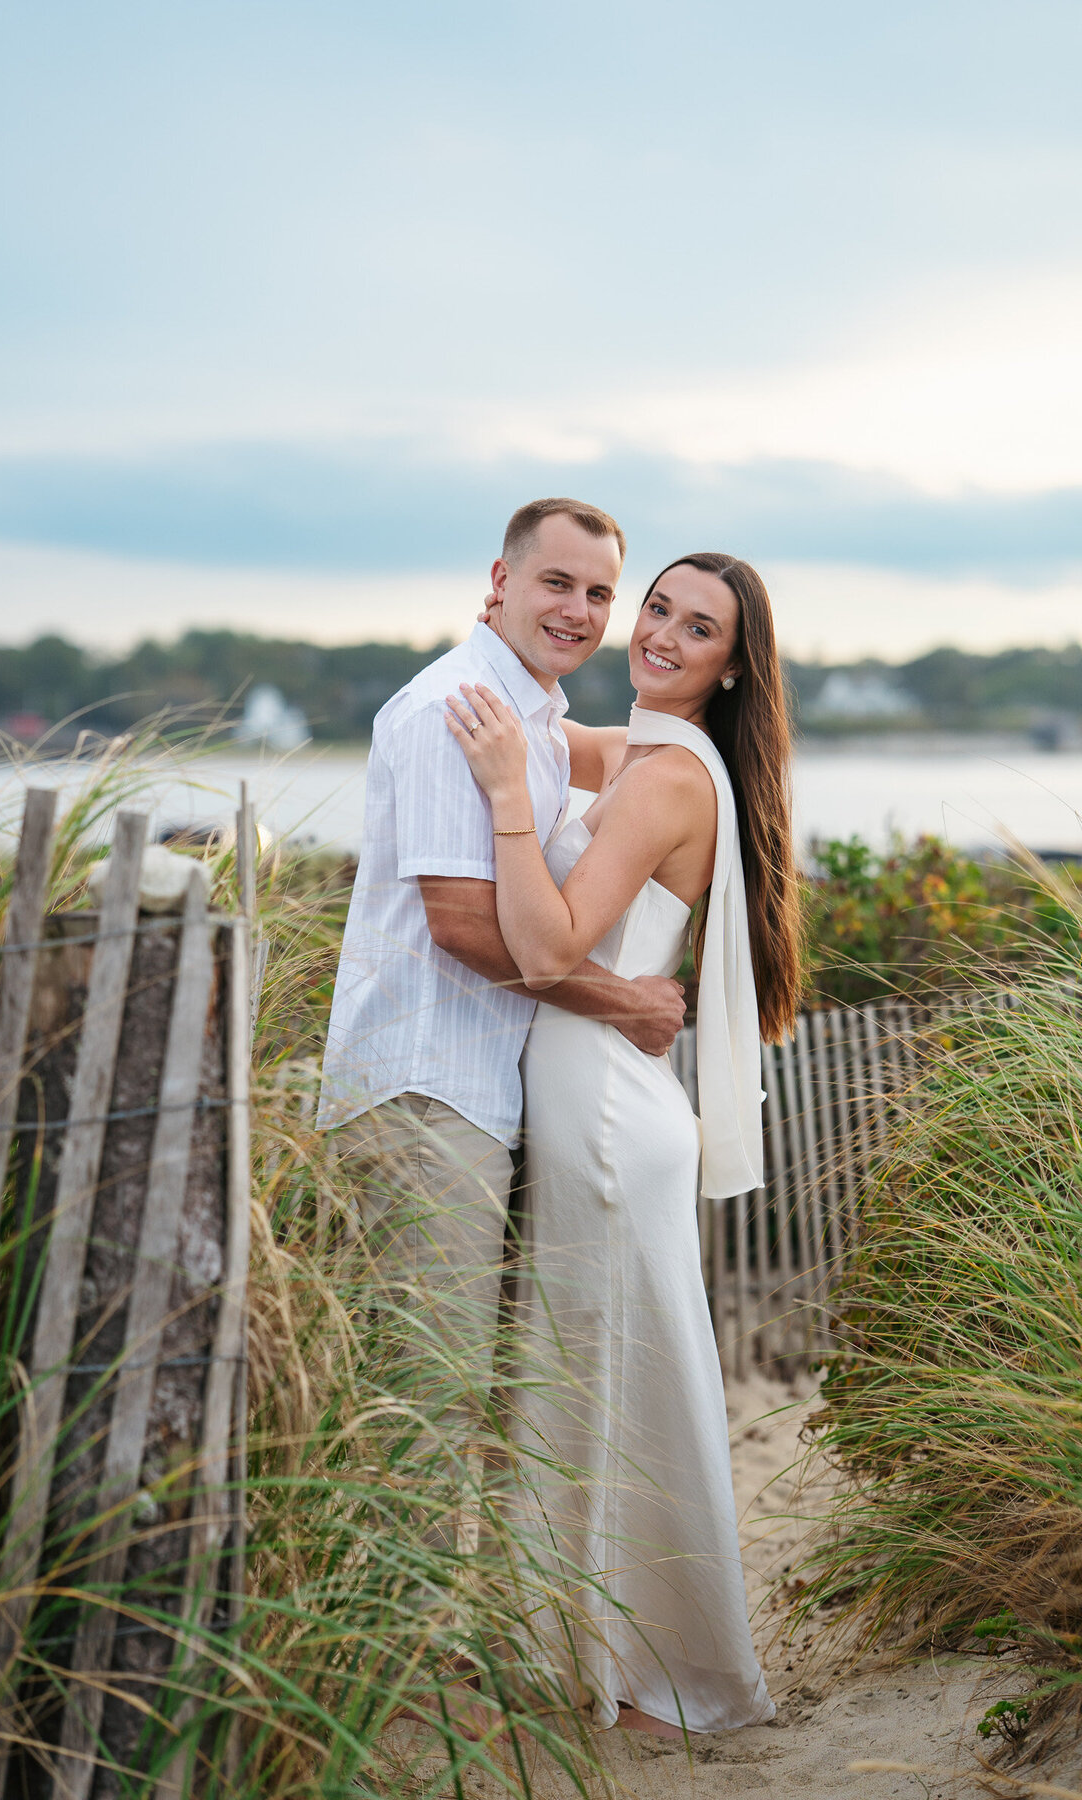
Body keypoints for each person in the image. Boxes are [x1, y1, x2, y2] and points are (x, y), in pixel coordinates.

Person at [446, 551, 802, 1737]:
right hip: (601, 1100)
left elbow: (548, 948)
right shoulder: (647, 751)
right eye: (654, 606)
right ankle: (602, 1655)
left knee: (619, 1388)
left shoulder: (663, 781)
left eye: (695, 627)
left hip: (604, 1110)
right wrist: (498, 649)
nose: (657, 632)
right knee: (599, 1380)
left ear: (732, 665)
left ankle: (673, 1680)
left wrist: (503, 798)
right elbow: (554, 736)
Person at [316, 498, 688, 1454]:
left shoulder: (537, 718)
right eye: (556, 582)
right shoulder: (460, 709)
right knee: (421, 1413)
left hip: (478, 1098)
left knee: (457, 1402)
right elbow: (464, 929)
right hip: (422, 1093)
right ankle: (404, 1607)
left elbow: (655, 757)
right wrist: (627, 1004)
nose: (578, 609)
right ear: (501, 581)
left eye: (599, 592)